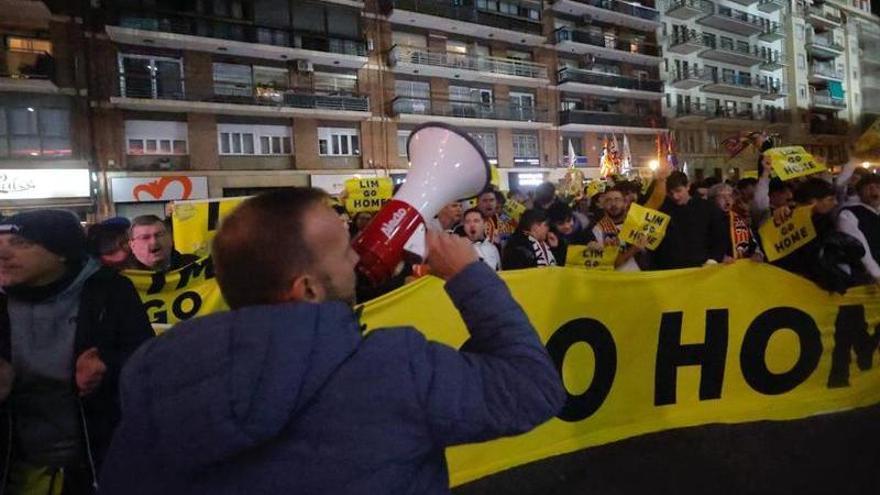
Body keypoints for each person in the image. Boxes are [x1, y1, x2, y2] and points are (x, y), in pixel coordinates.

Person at [98, 188, 565, 494]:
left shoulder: (154, 381)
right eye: (343, 252)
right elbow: (532, 387)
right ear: (307, 289)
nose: (357, 259)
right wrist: (468, 276)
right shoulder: (391, 368)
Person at [0, 210, 153, 494]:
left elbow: (146, 360)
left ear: (61, 252)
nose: (3, 254)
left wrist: (107, 366)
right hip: (15, 470)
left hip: (96, 464)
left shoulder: (109, 290)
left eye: (21, 244)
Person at [652, 171, 727, 269]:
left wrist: (714, 259)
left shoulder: (707, 208)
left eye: (678, 191)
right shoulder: (663, 212)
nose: (675, 196)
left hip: (702, 268)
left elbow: (719, 237)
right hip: (671, 269)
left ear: (688, 186)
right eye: (671, 193)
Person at [836, 173, 880, 284]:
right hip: (866, 279)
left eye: (878, 187)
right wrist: (876, 273)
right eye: (869, 187)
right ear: (859, 192)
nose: (874, 190)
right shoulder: (848, 214)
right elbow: (858, 246)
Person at [591, 185, 645, 272]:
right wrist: (634, 249)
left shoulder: (637, 223)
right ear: (603, 205)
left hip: (643, 276)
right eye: (608, 200)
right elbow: (609, 264)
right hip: (615, 278)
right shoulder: (598, 229)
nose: (613, 204)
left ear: (625, 203)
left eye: (617, 199)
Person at [708, 183, 761, 261]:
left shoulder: (739, 219)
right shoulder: (706, 220)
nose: (727, 199)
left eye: (730, 196)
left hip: (740, 265)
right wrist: (719, 257)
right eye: (722, 196)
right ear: (712, 199)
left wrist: (756, 253)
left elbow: (752, 243)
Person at [127, 215, 198, 271]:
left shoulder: (195, 264)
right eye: (145, 237)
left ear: (171, 238)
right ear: (132, 246)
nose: (154, 241)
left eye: (159, 235)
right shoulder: (125, 276)